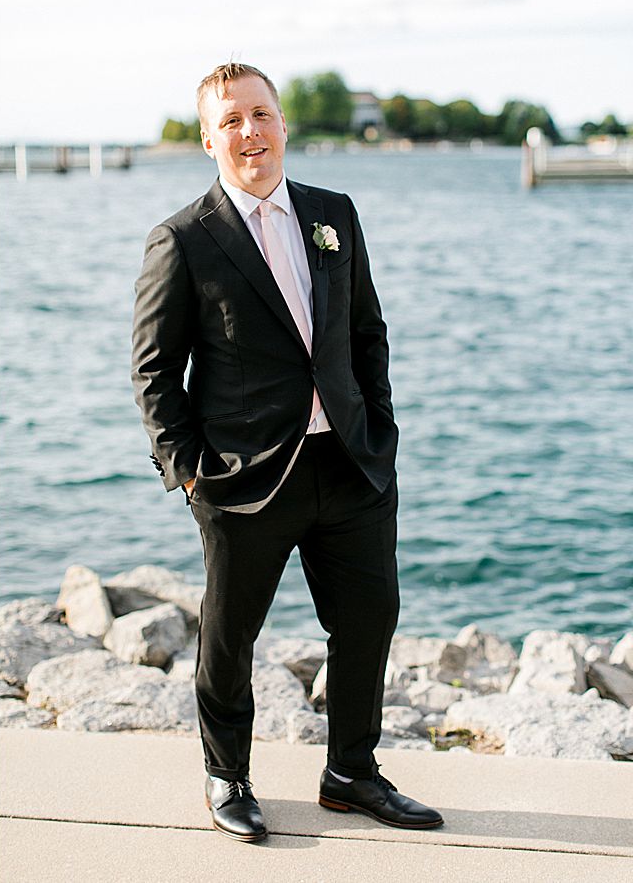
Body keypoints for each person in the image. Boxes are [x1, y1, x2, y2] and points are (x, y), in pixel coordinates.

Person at [131, 62, 441, 842]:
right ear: (208, 138)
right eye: (230, 120)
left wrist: (381, 433)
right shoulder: (183, 238)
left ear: (282, 123)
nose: (249, 132)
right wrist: (190, 471)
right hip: (243, 481)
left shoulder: (334, 214)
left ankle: (351, 773)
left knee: (368, 621)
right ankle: (227, 777)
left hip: (351, 463)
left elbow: (367, 332)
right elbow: (154, 370)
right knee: (231, 637)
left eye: (260, 114)